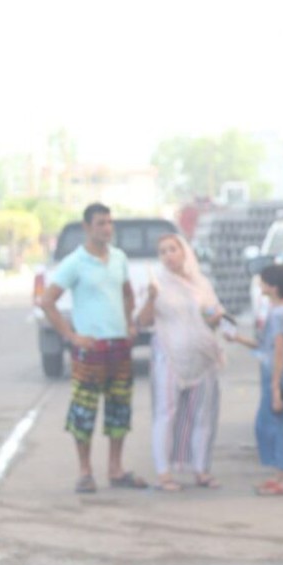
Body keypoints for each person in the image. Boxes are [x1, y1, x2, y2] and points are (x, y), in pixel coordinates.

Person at [40, 202, 148, 494]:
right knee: (84, 411)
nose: (107, 228)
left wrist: (129, 324)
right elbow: (47, 301)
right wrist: (71, 336)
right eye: (101, 223)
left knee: (119, 409)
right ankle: (85, 471)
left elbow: (127, 294)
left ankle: (116, 468)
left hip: (118, 345)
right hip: (90, 348)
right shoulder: (75, 262)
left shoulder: (119, 258)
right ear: (87, 227)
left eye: (109, 223)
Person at [136, 234, 223, 492]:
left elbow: (212, 315)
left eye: (172, 249)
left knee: (203, 416)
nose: (168, 255)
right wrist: (151, 298)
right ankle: (164, 473)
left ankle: (201, 469)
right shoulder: (157, 285)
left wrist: (214, 317)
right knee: (166, 414)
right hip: (169, 357)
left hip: (201, 358)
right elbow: (142, 321)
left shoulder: (201, 284)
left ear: (184, 252)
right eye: (162, 251)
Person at [226, 264, 283, 496]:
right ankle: (280, 475)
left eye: (264, 281)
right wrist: (237, 338)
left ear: (273, 287)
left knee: (280, 427)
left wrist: (276, 387)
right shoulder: (275, 311)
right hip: (272, 373)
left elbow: (279, 351)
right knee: (271, 425)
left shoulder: (279, 314)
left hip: (278, 374)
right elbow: (264, 345)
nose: (260, 284)